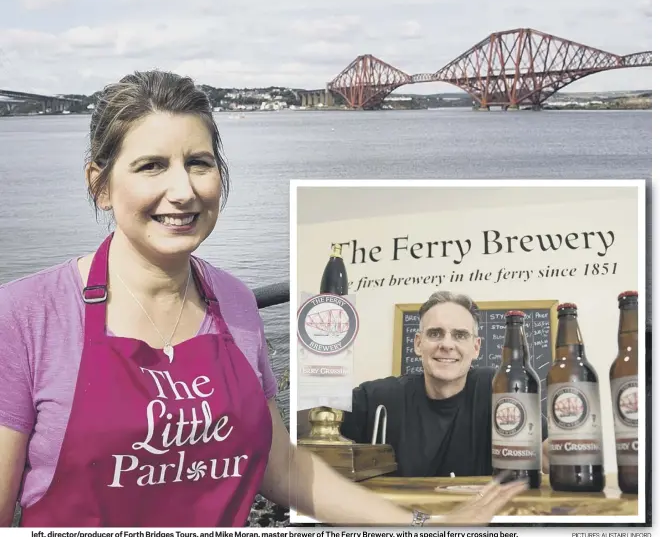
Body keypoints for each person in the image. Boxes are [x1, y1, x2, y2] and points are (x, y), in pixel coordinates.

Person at [0, 71, 528, 528]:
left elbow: (282, 466)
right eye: (151, 166)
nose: (183, 190)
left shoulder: (232, 301)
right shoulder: (27, 316)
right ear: (101, 186)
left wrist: (423, 522)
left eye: (199, 163)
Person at [301, 291, 550, 477]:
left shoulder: (498, 388)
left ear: (476, 348)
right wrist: (321, 349)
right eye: (435, 333)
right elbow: (308, 423)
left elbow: (545, 450)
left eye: (460, 335)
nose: (447, 344)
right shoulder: (379, 397)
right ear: (418, 344)